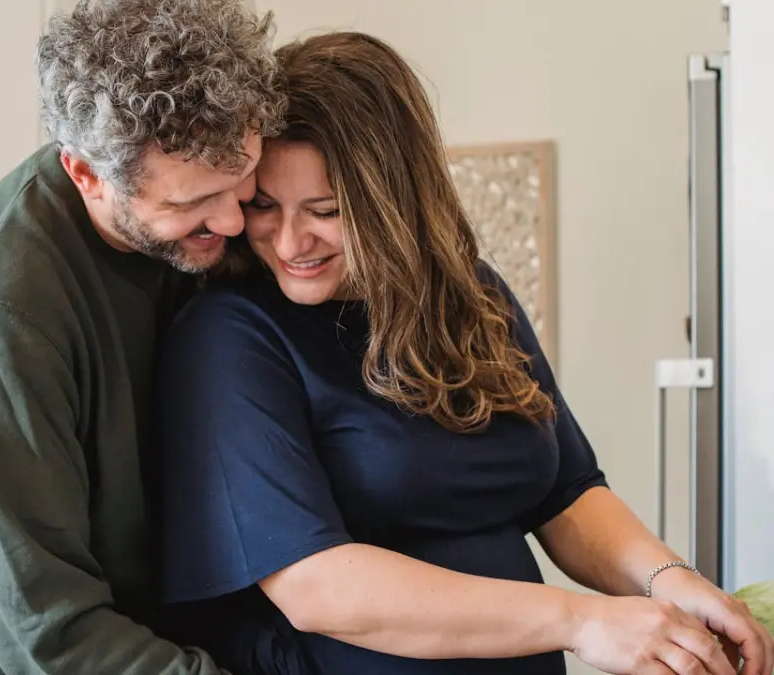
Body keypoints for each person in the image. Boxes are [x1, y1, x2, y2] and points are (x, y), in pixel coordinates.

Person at [155, 31, 774, 675]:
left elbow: (567, 492)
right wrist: (581, 621)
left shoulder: (471, 293)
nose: (289, 242)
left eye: (326, 211)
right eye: (262, 206)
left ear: (393, 202)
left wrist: (671, 581)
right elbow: (316, 587)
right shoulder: (230, 335)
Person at [0, 0, 285, 672]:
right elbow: (48, 632)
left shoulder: (182, 233)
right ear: (87, 174)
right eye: (190, 203)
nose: (233, 222)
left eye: (241, 183)